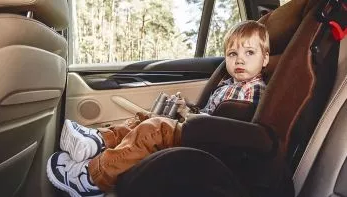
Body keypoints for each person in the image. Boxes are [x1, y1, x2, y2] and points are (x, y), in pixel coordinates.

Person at [46, 20, 269, 197]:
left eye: (249, 53)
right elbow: (211, 114)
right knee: (146, 118)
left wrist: (193, 119)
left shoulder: (254, 89)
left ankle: (90, 180)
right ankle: (98, 141)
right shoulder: (228, 84)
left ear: (266, 58)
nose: (240, 60)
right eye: (232, 54)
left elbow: (233, 129)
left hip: (215, 144)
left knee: (154, 128)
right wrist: (188, 110)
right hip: (205, 131)